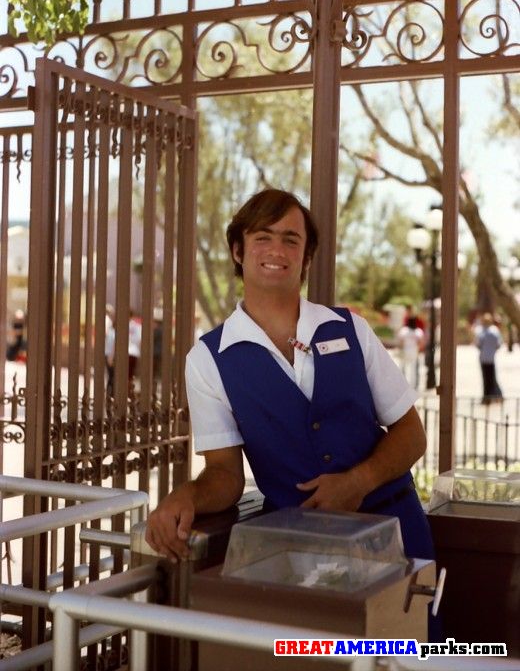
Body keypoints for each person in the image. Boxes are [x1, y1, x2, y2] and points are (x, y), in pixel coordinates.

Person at [146, 190, 435, 568]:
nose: (276, 250)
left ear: (306, 256)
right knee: (309, 632)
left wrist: (358, 482)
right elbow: (225, 474)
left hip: (398, 534)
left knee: (406, 631)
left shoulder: (352, 330)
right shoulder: (207, 360)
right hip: (300, 552)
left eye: (290, 239)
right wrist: (187, 496)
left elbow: (412, 434)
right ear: (238, 251)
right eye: (262, 237)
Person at [474, 312, 503, 404]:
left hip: (483, 358)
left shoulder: (481, 331)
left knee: (486, 378)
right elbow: (498, 344)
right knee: (492, 377)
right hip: (491, 358)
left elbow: (478, 344)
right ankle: (496, 396)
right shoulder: (495, 330)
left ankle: (487, 397)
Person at [398, 315, 425, 389]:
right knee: (413, 370)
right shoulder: (418, 331)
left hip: (405, 350)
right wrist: (418, 350)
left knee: (403, 368)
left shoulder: (404, 330)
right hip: (414, 351)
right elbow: (421, 343)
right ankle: (414, 386)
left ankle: (403, 385)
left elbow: (401, 342)